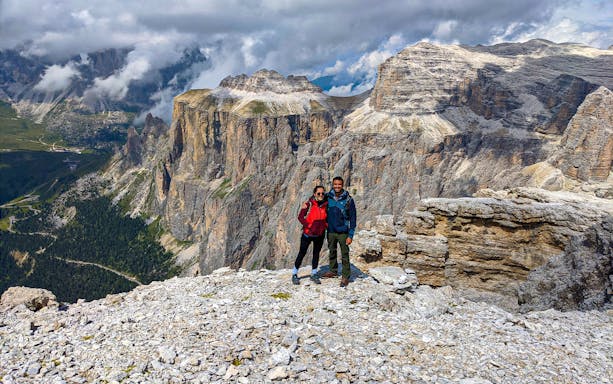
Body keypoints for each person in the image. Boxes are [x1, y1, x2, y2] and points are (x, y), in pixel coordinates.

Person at [321, 176, 356, 287]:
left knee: (344, 254)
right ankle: (333, 270)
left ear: (342, 185)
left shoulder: (348, 200)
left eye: (339, 184)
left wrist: (350, 235)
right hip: (331, 230)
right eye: (335, 184)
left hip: (343, 232)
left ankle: (345, 276)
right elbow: (317, 203)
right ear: (332, 184)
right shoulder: (327, 197)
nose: (337, 186)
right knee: (332, 251)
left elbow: (353, 218)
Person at [292, 185, 328, 285]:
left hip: (319, 234)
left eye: (322, 193)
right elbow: (300, 217)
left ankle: (314, 273)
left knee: (316, 254)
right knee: (302, 253)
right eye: (319, 193)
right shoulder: (309, 204)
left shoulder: (326, 204)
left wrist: (325, 225)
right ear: (314, 194)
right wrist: (309, 225)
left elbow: (327, 217)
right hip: (308, 234)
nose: (321, 195)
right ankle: (294, 273)